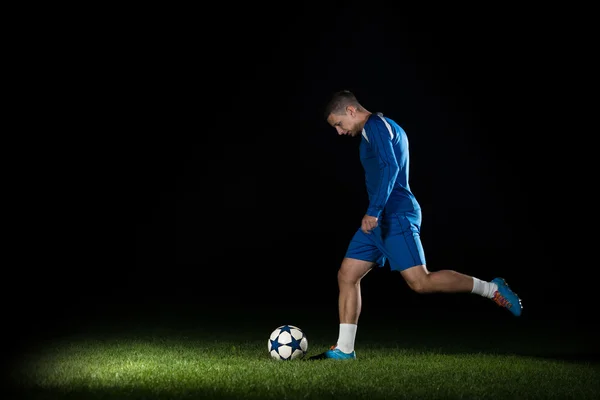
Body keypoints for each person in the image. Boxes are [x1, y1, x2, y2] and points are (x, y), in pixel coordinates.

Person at [314, 90, 523, 360]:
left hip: (394, 216)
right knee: (347, 275)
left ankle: (492, 289)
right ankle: (344, 349)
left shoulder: (375, 126)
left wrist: (375, 210)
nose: (339, 132)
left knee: (421, 282)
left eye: (339, 124)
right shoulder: (379, 128)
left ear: (351, 111)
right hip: (378, 220)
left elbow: (390, 168)